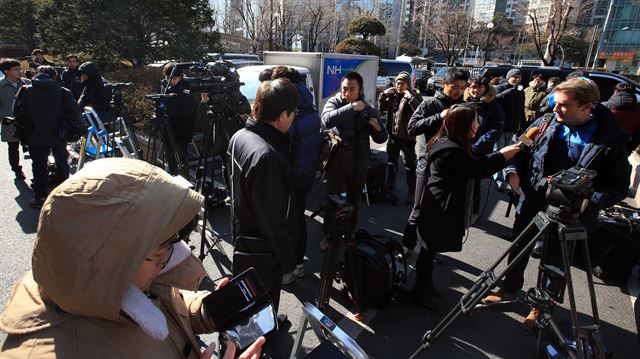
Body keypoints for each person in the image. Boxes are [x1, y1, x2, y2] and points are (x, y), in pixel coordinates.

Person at [0, 158, 264, 358]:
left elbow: (170, 302)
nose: (164, 263)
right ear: (109, 258)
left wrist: (207, 310)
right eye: (157, 254)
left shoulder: (104, 284)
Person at [484, 78, 631, 330]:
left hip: (571, 213)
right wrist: (511, 171)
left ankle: (542, 308)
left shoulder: (612, 140)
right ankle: (509, 289)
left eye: (564, 105)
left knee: (554, 262)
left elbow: (617, 187)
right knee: (518, 247)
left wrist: (588, 200)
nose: (555, 109)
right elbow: (520, 149)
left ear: (587, 107)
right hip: (532, 200)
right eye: (555, 103)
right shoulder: (544, 123)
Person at [410, 105, 519, 310]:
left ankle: (424, 286)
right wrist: (503, 156)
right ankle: (421, 290)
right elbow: (476, 169)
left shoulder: (447, 141)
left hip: (437, 205)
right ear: (463, 125)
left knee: (429, 250)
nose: (478, 124)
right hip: (439, 207)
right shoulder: (450, 148)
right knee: (428, 250)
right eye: (475, 121)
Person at [227, 78, 299, 317]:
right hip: (261, 246)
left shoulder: (240, 136)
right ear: (281, 115)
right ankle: (261, 341)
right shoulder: (266, 155)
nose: (294, 117)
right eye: (293, 113)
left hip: (242, 233)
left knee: (249, 294)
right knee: (262, 303)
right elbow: (273, 219)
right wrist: (289, 259)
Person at [402, 67, 469, 251]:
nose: (458, 92)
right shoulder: (430, 103)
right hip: (426, 165)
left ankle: (430, 249)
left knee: (440, 212)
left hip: (450, 169)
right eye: (454, 87)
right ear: (444, 84)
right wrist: (439, 116)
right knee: (418, 210)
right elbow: (412, 128)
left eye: (462, 88)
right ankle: (407, 245)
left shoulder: (463, 106)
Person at [271, 67, 321, 284]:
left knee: (288, 221)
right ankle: (297, 264)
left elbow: (281, 141)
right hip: (306, 172)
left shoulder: (291, 110)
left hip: (290, 173)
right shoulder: (308, 105)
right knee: (297, 218)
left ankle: (291, 267)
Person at [321, 72, 387, 232]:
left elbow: (381, 139)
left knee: (354, 202)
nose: (347, 93)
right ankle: (329, 234)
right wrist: (350, 108)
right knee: (333, 201)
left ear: (360, 89)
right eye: (344, 89)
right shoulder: (335, 102)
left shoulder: (367, 108)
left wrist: (378, 128)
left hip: (359, 164)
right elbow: (326, 120)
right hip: (337, 163)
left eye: (352, 89)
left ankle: (350, 232)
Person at [12, 65, 81, 208]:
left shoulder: (25, 91)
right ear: (55, 76)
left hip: (34, 134)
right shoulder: (63, 92)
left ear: (36, 75)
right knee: (62, 163)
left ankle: (41, 197)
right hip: (59, 134)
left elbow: (16, 113)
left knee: (39, 165)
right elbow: (74, 112)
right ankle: (64, 195)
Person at [378, 71, 422, 204]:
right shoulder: (394, 96)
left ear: (408, 85)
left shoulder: (414, 96)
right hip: (393, 136)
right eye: (397, 83)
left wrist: (410, 98)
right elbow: (381, 109)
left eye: (402, 83)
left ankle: (412, 192)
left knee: (410, 166)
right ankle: (389, 186)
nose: (399, 85)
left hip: (407, 138)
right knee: (391, 162)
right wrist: (383, 95)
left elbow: (420, 111)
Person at [161, 62, 199, 178]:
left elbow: (190, 112)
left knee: (182, 159)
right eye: (168, 78)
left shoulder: (187, 89)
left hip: (181, 130)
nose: (171, 81)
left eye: (174, 78)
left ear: (181, 77)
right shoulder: (164, 85)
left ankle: (185, 180)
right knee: (170, 157)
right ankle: (173, 179)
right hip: (168, 128)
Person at [494, 68, 525, 190]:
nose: (517, 79)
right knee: (499, 152)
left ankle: (507, 176)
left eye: (519, 77)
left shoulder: (520, 91)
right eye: (514, 77)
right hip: (501, 126)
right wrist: (510, 91)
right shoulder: (501, 88)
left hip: (512, 127)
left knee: (509, 153)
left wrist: (522, 124)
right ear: (508, 77)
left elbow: (521, 110)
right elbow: (494, 100)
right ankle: (498, 179)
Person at [0, 58, 30, 180]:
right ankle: (17, 170)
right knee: (13, 147)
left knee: (34, 147)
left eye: (19, 68)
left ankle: (39, 174)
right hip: (10, 121)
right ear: (7, 71)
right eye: (16, 69)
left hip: (29, 121)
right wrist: (3, 117)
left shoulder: (28, 83)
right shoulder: (1, 86)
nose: (19, 71)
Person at [464, 76, 505, 155]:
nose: (476, 90)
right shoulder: (462, 104)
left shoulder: (494, 106)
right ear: (468, 88)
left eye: (480, 87)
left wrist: (474, 148)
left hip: (482, 151)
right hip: (462, 149)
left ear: (486, 88)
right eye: (473, 87)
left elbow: (494, 131)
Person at [602, 82, 640, 152]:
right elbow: (637, 137)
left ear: (616, 91)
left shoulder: (604, 106)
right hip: (623, 148)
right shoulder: (638, 111)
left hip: (601, 148)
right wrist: (628, 150)